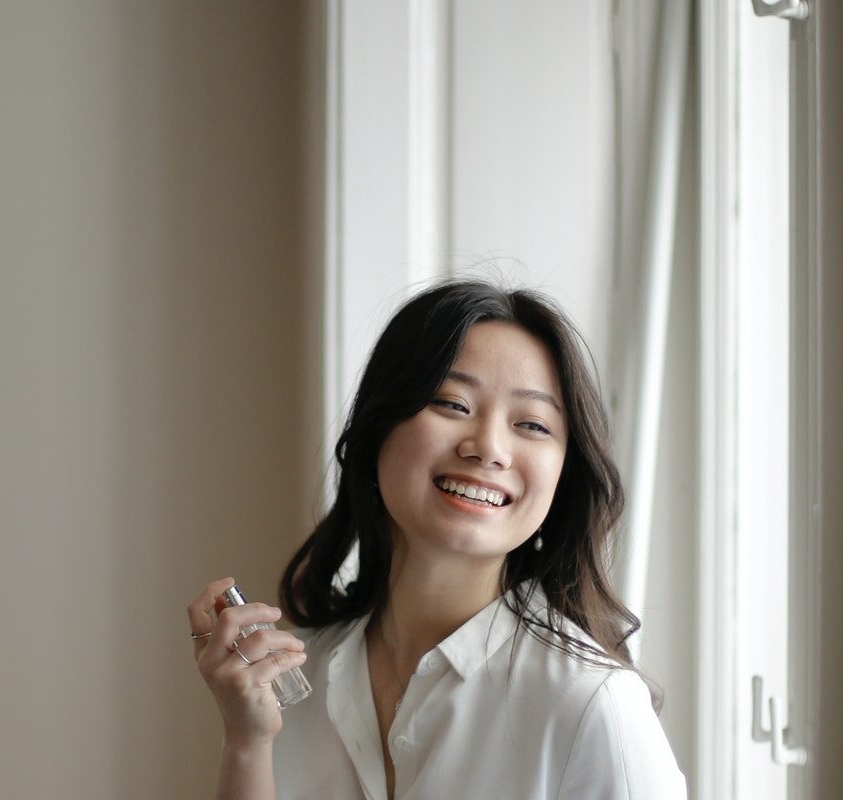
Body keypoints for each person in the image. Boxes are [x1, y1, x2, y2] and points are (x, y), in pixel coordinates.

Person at [188, 279, 687, 799]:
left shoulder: (594, 704)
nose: (488, 448)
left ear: (564, 475)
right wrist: (247, 742)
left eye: (533, 425)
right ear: (378, 428)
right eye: (452, 403)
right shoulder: (290, 681)